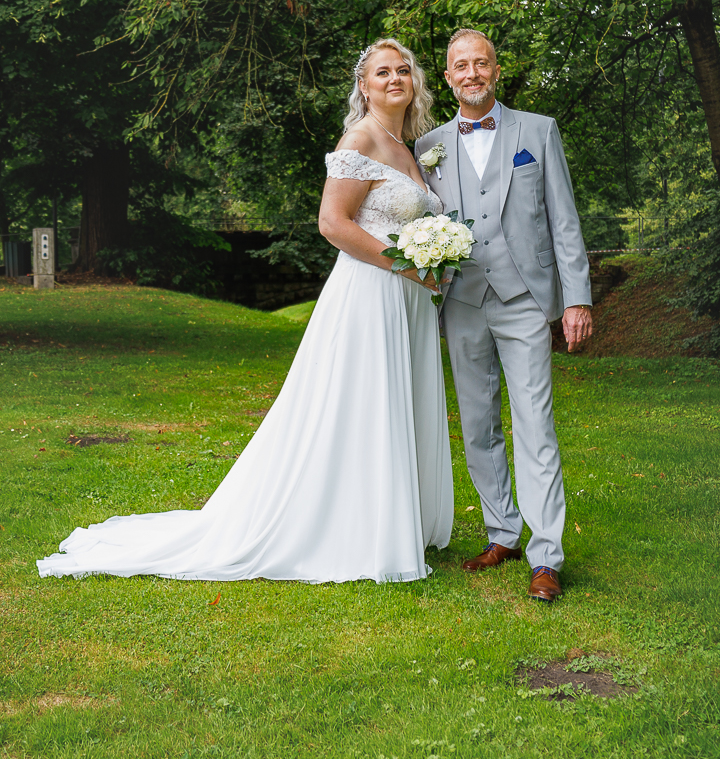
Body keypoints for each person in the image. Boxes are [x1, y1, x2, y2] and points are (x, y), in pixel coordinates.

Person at [37, 38, 454, 584]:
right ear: (364, 85)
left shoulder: (410, 146)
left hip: (406, 298)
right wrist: (406, 266)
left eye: (403, 70)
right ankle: (355, 529)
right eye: (382, 72)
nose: (394, 79)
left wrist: (433, 258)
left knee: (395, 399)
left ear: (415, 82)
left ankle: (392, 517)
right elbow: (333, 224)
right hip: (371, 295)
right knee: (360, 403)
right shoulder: (361, 138)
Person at [415, 28, 592, 603]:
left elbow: (563, 219)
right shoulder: (428, 147)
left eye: (481, 64)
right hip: (462, 302)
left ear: (496, 69)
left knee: (534, 424)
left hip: (523, 302)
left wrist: (577, 298)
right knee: (478, 425)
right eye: (460, 66)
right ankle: (502, 533)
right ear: (447, 78)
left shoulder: (537, 131)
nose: (472, 74)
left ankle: (546, 556)